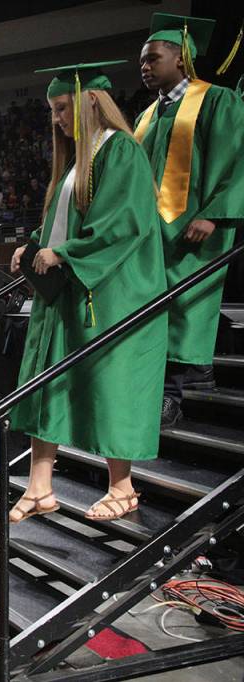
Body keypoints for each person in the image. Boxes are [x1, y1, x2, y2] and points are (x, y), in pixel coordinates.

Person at [8, 62, 168, 524]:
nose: (56, 118)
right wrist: (33, 246)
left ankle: (123, 487)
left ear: (90, 100)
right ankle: (40, 487)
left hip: (114, 292)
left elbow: (124, 222)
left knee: (112, 384)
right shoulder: (79, 160)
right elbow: (63, 223)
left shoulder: (121, 150)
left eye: (62, 108)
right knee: (48, 380)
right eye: (53, 110)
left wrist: (64, 253)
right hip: (73, 287)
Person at [135, 13, 244, 426]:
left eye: (153, 58)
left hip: (195, 227)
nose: (145, 67)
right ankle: (184, 376)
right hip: (152, 234)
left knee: (186, 303)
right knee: (154, 308)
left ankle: (174, 393)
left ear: (181, 57)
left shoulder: (217, 100)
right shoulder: (147, 116)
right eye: (142, 61)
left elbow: (237, 161)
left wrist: (214, 215)